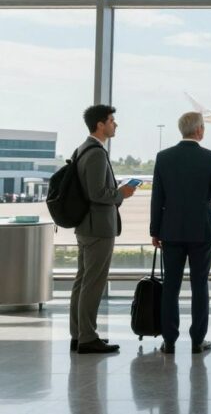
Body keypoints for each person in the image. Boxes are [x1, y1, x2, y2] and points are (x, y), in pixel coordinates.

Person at [150, 111, 211, 355]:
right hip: (201, 231)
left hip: (170, 230)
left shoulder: (163, 157)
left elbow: (157, 197)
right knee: (199, 286)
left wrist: (155, 230)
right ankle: (197, 340)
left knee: (170, 286)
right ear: (199, 130)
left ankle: (169, 340)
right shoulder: (210, 157)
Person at [70, 104, 136, 354]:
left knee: (82, 281)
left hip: (85, 225)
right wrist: (121, 194)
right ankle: (88, 337)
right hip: (98, 227)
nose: (115, 124)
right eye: (111, 120)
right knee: (93, 283)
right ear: (100, 124)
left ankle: (78, 334)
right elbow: (97, 193)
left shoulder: (82, 149)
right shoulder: (96, 153)